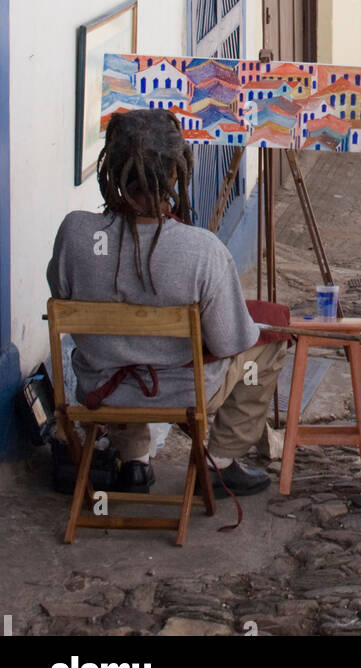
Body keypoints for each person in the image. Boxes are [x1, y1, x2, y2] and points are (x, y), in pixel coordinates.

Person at [47, 109, 287, 495]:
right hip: (181, 393)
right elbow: (230, 343)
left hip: (101, 389)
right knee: (270, 342)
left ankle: (135, 463)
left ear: (110, 169)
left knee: (120, 353)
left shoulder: (75, 233)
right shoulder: (202, 250)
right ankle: (219, 462)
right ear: (176, 174)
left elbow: (62, 296)